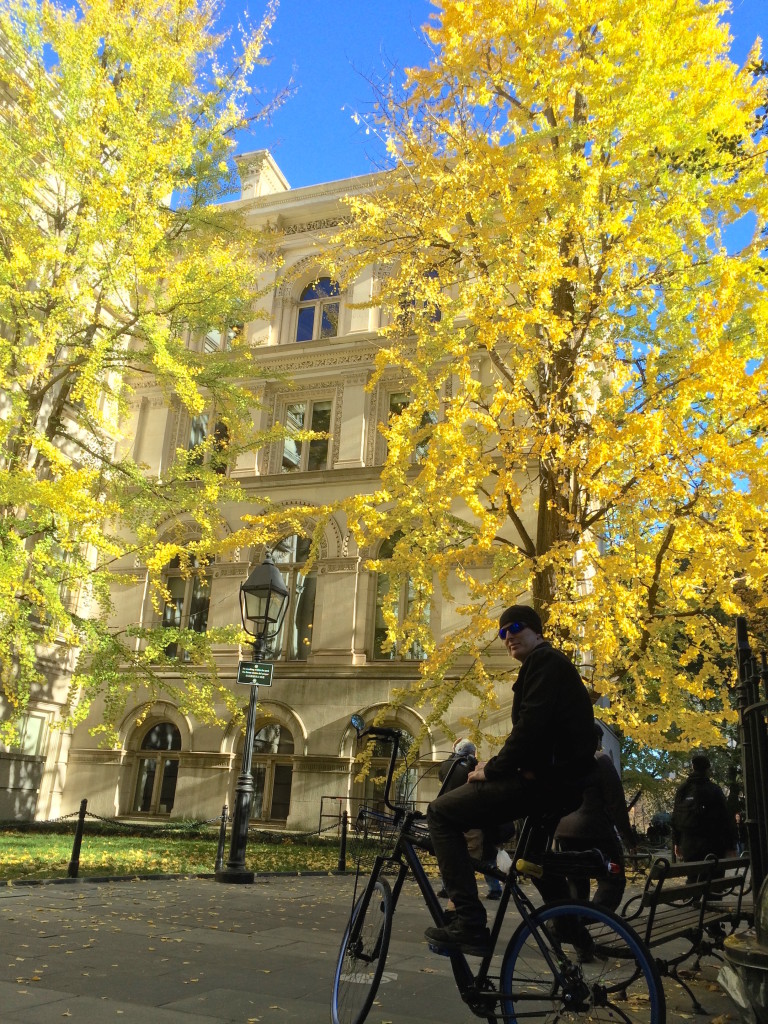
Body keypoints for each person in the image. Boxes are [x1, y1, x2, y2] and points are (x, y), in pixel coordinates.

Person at [424, 604, 597, 956]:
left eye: (515, 627)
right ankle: (574, 932)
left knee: (440, 814)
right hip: (560, 786)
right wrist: (499, 761)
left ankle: (470, 924)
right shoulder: (549, 666)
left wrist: (494, 769)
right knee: (531, 860)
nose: (508, 637)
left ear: (537, 631)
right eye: (502, 633)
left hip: (543, 785)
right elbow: (540, 731)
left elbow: (532, 728)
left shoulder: (544, 663)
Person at [554, 723, 635, 912]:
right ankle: (592, 918)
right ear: (597, 741)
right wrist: (629, 838)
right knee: (613, 879)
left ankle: (571, 926)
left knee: (576, 882)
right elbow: (616, 804)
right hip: (595, 830)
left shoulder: (564, 763)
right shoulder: (601, 761)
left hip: (565, 832)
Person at [436, 739, 503, 902]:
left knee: (451, 853)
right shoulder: (472, 766)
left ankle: (448, 887)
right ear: (472, 753)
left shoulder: (445, 766)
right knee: (482, 855)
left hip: (451, 815)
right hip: (472, 817)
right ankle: (494, 888)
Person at [671, 753, 737, 865]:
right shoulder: (714, 789)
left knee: (693, 879)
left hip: (689, 844)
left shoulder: (683, 789)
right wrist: (731, 845)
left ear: (693, 767)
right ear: (708, 769)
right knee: (714, 878)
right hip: (713, 844)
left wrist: (676, 842)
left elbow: (676, 817)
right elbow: (725, 817)